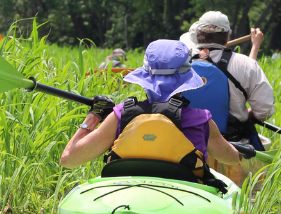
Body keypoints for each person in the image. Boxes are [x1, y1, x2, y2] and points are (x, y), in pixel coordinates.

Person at [60, 40, 249, 187]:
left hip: (125, 195)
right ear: (186, 81)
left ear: (145, 77)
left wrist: (93, 117)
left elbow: (69, 160)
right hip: (184, 198)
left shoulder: (121, 115)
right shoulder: (201, 120)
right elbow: (231, 158)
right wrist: (234, 149)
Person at [181, 11, 275, 151]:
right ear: (227, 37)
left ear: (197, 35)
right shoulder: (246, 64)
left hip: (186, 143)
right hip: (233, 144)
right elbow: (264, 111)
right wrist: (244, 116)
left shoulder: (178, 64)